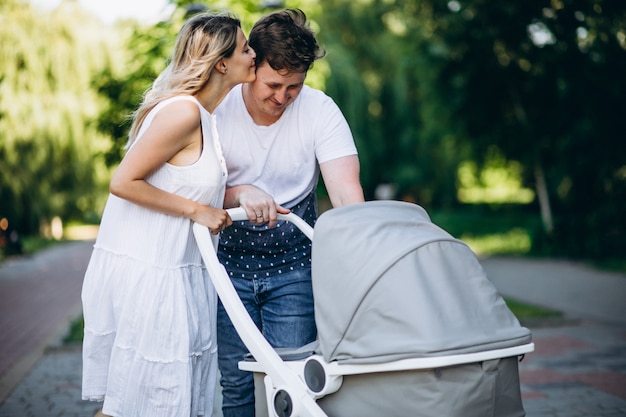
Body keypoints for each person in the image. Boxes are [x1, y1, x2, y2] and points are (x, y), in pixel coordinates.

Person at [80, 12, 257, 417]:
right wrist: (199, 211)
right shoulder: (182, 112)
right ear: (221, 63)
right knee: (135, 405)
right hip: (154, 278)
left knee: (167, 402)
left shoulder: (204, 117)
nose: (253, 54)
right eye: (246, 48)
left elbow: (183, 185)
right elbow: (124, 182)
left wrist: (240, 201)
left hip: (183, 275)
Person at [213, 8, 365, 416]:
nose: (281, 98)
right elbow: (193, 188)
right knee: (238, 386)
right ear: (251, 65)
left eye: (293, 87)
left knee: (293, 390)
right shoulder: (217, 109)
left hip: (295, 268)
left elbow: (348, 196)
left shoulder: (321, 111)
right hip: (228, 267)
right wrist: (241, 192)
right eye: (273, 84)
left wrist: (363, 263)